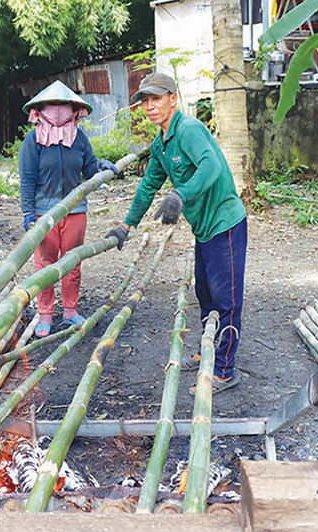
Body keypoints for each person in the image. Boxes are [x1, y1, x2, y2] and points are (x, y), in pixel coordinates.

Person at [107, 72, 247, 392]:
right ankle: (208, 351)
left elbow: (211, 165)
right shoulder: (161, 143)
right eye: (145, 101)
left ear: (173, 99)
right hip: (204, 229)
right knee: (206, 294)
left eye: (156, 99)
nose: (150, 106)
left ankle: (224, 370)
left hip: (224, 223)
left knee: (227, 299)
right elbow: (147, 186)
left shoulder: (189, 130)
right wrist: (127, 226)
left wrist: (180, 194)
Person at [19, 81, 118, 337]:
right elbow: (27, 178)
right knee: (45, 263)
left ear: (75, 110)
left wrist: (102, 167)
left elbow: (90, 169)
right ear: (40, 111)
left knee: (72, 262)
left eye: (64, 106)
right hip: (44, 213)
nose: (59, 112)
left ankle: (70, 310)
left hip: (75, 210)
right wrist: (28, 212)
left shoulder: (79, 138)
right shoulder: (34, 141)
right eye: (53, 106)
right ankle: (45, 314)